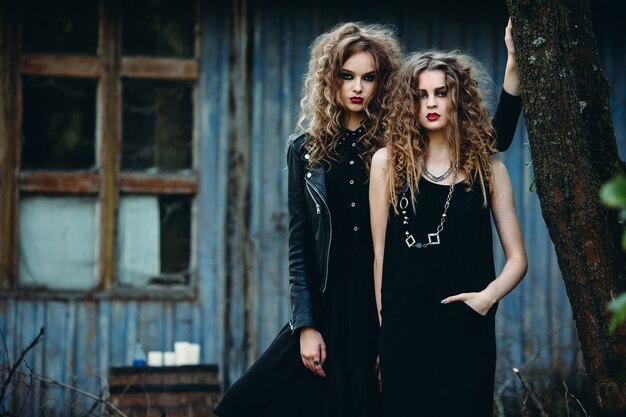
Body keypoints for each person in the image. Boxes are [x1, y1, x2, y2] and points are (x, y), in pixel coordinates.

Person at [215, 20, 520, 417]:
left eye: (369, 77)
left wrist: (513, 65)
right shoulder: (305, 150)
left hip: (382, 296)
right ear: (330, 79)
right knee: (244, 402)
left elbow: (487, 140)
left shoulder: (398, 139)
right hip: (329, 299)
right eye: (347, 76)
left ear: (384, 82)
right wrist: (306, 324)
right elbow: (300, 242)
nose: (357, 87)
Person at [369, 46, 528, 417]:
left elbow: (517, 259)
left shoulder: (489, 170)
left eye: (441, 92)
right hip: (403, 327)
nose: (432, 103)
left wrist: (486, 299)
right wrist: (384, 327)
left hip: (465, 325)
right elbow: (379, 255)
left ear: (459, 98)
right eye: (421, 95)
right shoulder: (387, 163)